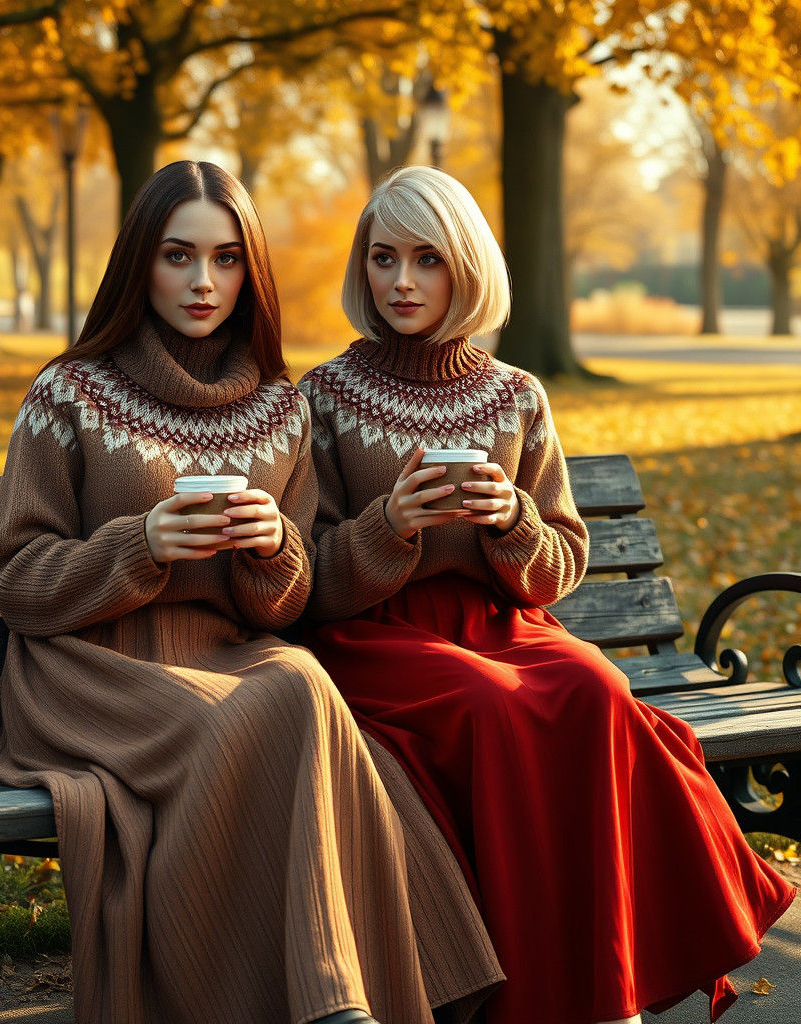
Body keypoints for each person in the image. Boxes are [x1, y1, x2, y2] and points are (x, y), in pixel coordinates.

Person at [0, 161, 504, 1024]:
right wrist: (141, 544)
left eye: (225, 259)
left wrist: (269, 551)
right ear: (141, 262)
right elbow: (17, 579)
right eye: (178, 256)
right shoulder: (69, 393)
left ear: (251, 272)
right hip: (91, 674)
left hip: (226, 660)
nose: (202, 282)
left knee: (300, 681)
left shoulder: (281, 410)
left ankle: (340, 1002)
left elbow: (286, 607)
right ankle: (331, 1005)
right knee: (287, 696)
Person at [297, 165, 796, 1024]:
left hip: (502, 622)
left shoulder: (516, 396)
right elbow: (305, 578)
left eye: (426, 259)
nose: (402, 282)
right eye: (383, 259)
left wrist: (511, 520)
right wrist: (389, 525)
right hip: (376, 636)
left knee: (597, 688)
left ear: (466, 268)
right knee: (491, 706)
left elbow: (561, 560)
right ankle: (531, 997)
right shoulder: (322, 397)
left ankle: (609, 990)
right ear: (362, 267)